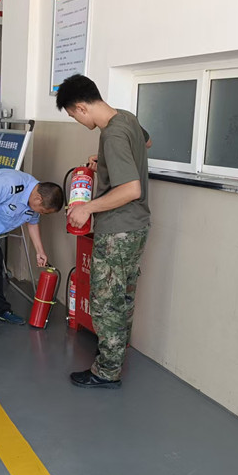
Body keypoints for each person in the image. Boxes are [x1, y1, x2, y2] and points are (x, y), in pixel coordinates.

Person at [56, 74, 151, 389]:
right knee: (122, 297)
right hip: (136, 227)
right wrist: (108, 162)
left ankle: (107, 372)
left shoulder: (112, 134)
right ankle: (115, 356)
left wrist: (87, 208)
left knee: (106, 301)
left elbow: (131, 189)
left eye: (74, 115)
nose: (77, 120)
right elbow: (145, 142)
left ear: (82, 108)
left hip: (118, 230)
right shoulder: (126, 118)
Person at [0, 169, 64, 336]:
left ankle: (0, 310)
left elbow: (32, 222)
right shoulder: (8, 184)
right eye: (43, 211)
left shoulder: (35, 197)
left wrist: (40, 251)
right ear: (38, 198)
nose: (41, 213)